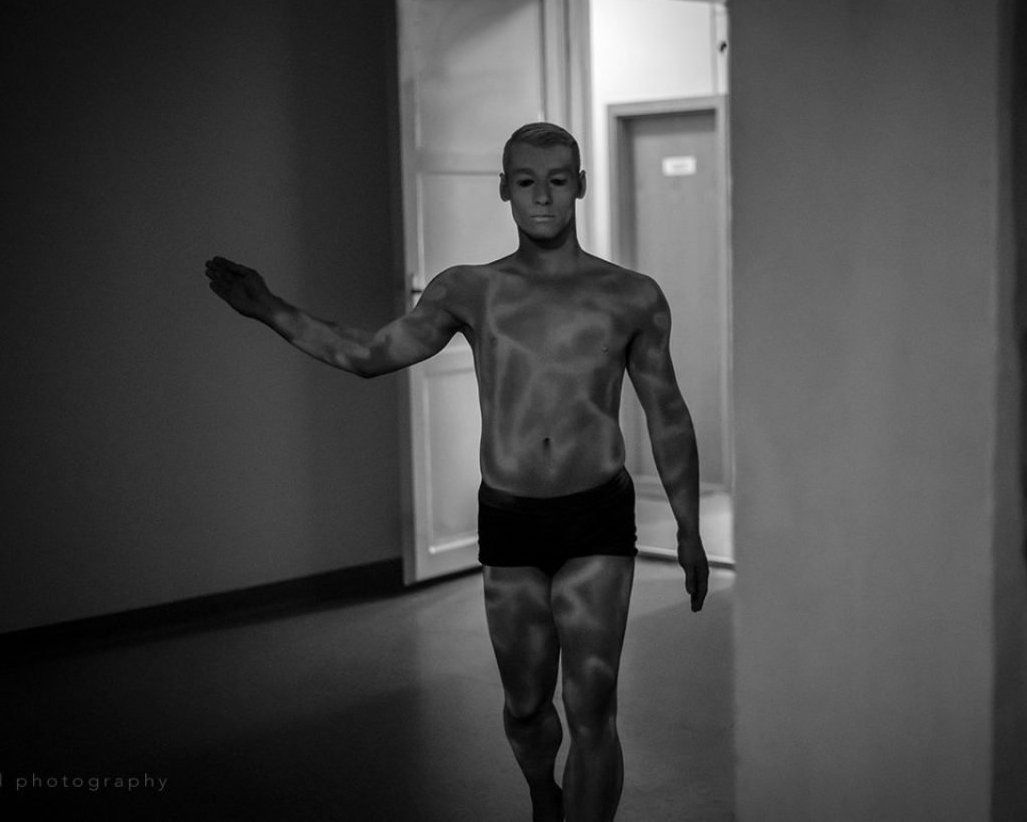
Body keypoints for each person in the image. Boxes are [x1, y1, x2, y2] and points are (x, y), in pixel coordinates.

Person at [204, 121, 709, 822]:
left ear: (581, 186)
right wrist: (269, 309)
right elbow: (370, 355)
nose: (542, 197)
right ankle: (543, 794)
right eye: (526, 181)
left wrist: (688, 527)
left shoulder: (632, 296)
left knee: (593, 707)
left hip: (596, 515)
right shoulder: (470, 290)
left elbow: (668, 412)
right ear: (504, 189)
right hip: (510, 521)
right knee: (526, 707)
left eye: (557, 181)